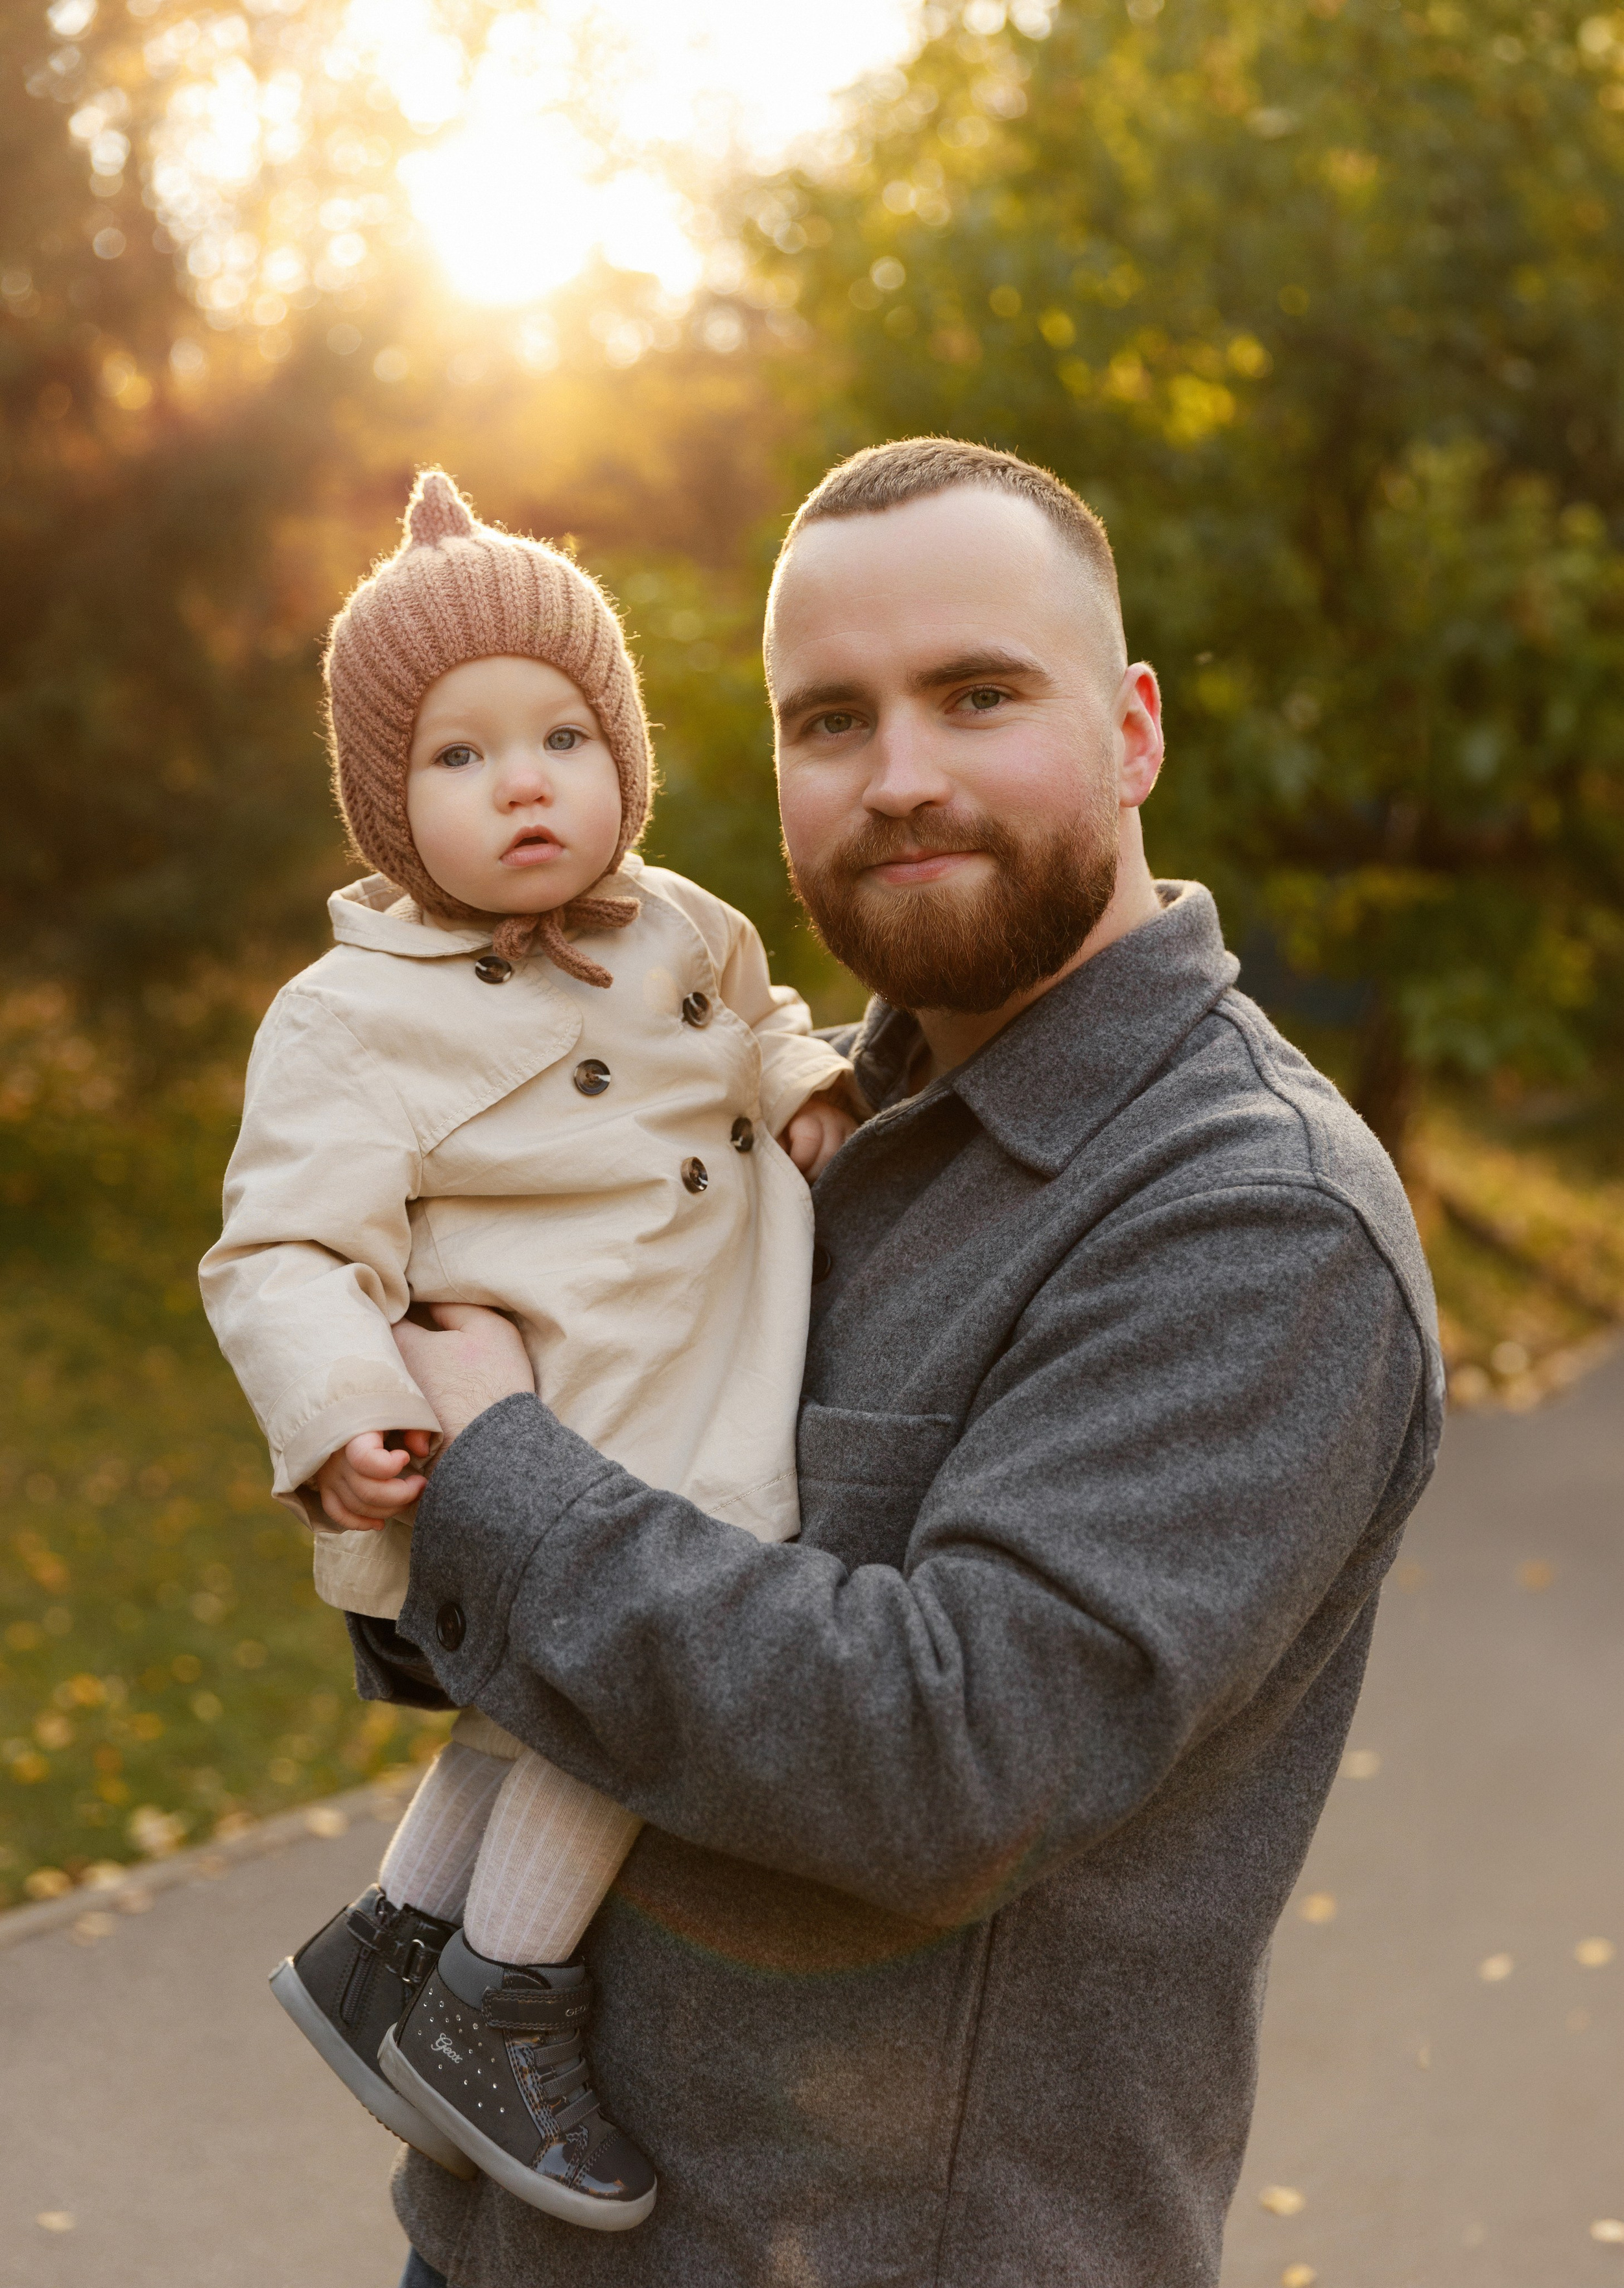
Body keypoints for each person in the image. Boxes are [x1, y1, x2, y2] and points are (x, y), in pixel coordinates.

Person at [350, 437, 1444, 2288]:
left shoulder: (1253, 1219)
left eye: (979, 695)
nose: (902, 777)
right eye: (829, 721)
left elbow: (951, 1762)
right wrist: (399, 1478)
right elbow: (559, 1591)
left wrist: (503, 1476)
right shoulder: (787, 1131)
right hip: (504, 2236)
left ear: (1133, 731)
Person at [198, 469, 854, 2230]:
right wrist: (342, 1408)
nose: (526, 785)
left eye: (563, 735)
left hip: (683, 1364)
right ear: (383, 803)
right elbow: (282, 1248)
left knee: (536, 1703)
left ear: (623, 751)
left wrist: (804, 1096)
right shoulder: (349, 1018)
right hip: (565, 1419)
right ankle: (499, 2000)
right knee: (624, 1679)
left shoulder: (686, 930)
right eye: (459, 758)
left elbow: (768, 1026)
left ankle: (392, 1948)